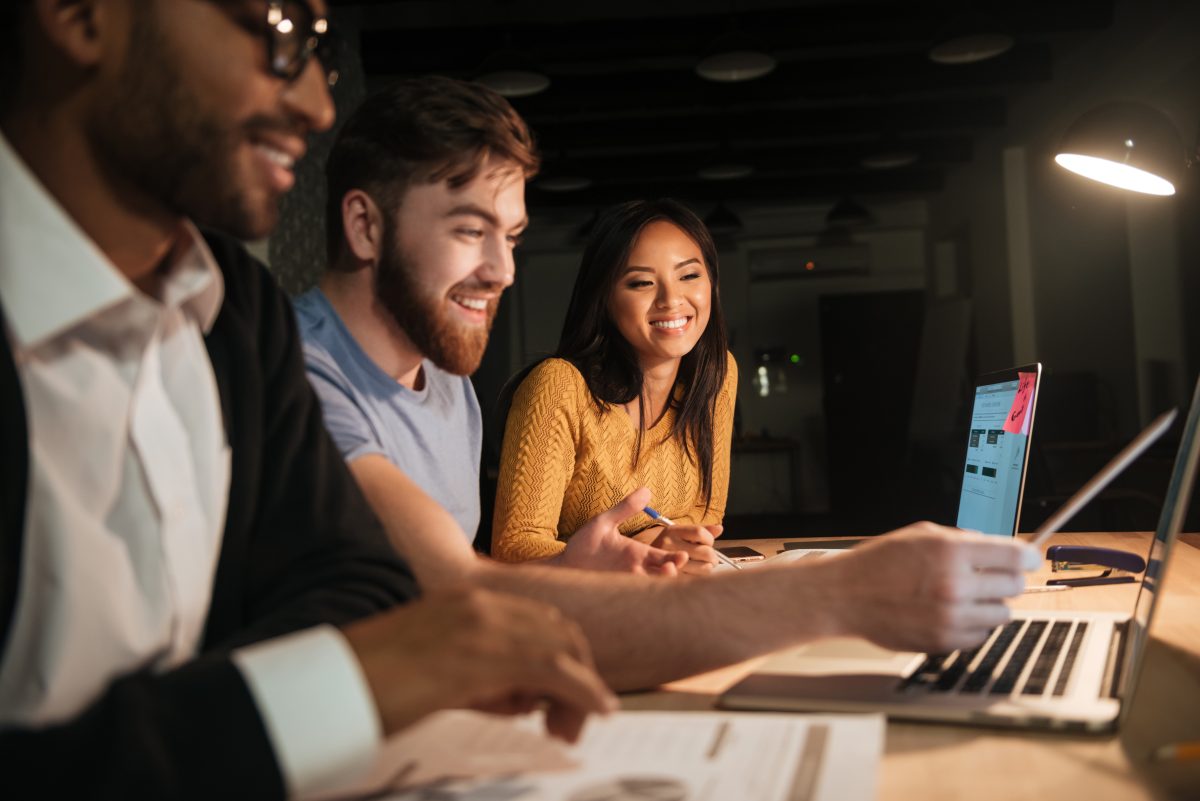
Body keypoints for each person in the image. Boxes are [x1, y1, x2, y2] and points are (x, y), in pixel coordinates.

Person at [0, 3, 616, 799]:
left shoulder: (233, 306)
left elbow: (357, 582)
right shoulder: (286, 337)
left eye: (316, 45)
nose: (318, 106)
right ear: (79, 13)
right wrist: (338, 686)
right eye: (276, 25)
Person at [299, 75, 1042, 693]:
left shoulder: (444, 377)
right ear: (365, 226)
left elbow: (453, 600)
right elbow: (458, 589)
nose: (503, 271)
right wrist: (844, 591)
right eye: (470, 230)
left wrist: (577, 568)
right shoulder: (298, 374)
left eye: (513, 237)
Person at [492, 199, 735, 573]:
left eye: (689, 276)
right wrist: (642, 547)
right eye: (641, 283)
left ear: (712, 282)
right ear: (604, 297)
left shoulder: (716, 372)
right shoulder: (558, 386)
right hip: (572, 601)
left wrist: (654, 543)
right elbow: (514, 547)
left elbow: (706, 511)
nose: (671, 300)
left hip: (663, 589)